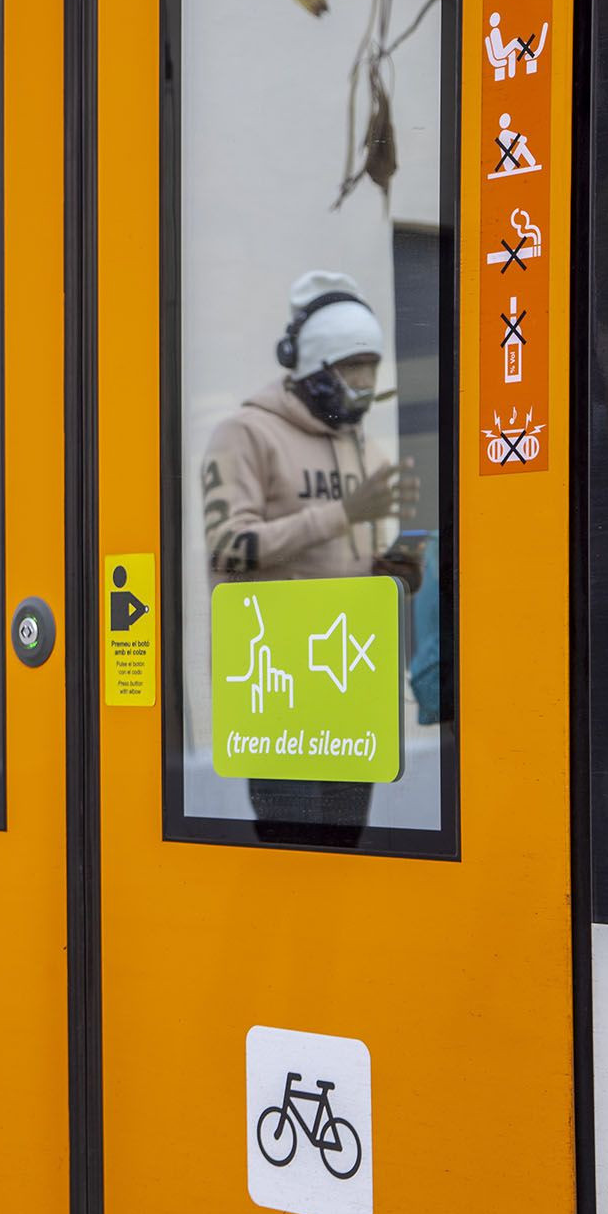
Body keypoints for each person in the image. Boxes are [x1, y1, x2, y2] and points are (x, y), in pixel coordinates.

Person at [201, 270, 419, 842]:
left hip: (350, 688)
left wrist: (390, 575)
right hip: (278, 693)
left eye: (372, 369)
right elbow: (229, 547)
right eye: (352, 370)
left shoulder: (362, 446)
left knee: (344, 851)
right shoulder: (245, 433)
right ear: (312, 368)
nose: (365, 384)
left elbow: (336, 562)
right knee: (292, 853)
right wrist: (345, 514)